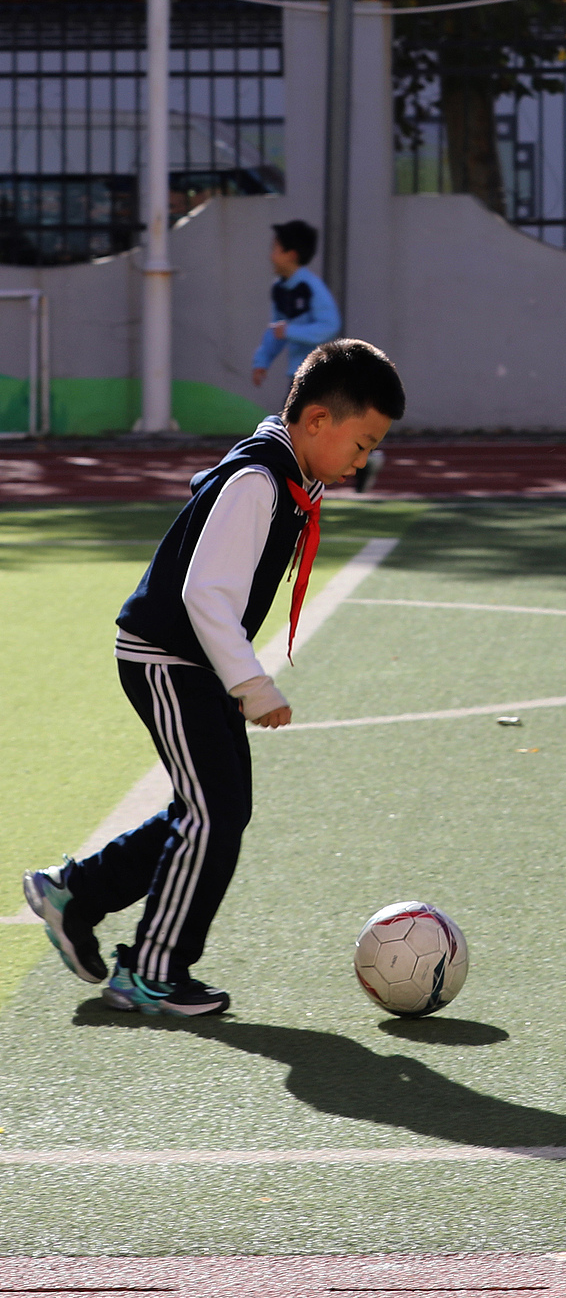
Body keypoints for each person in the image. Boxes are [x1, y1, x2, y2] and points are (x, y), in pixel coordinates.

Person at [21, 340, 404, 1017]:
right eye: (362, 442)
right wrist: (253, 684)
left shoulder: (288, 473)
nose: (362, 460)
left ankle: (75, 893)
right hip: (169, 658)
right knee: (212, 812)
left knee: (213, 810)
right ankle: (149, 971)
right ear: (317, 421)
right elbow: (205, 595)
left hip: (195, 660)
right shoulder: (258, 481)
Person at [250, 221, 341, 393]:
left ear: (291, 255)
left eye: (275, 249)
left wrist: (290, 331)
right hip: (298, 373)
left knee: (299, 418)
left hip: (320, 374)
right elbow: (276, 330)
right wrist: (262, 361)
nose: (270, 256)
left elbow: (330, 326)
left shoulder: (311, 287)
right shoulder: (279, 288)